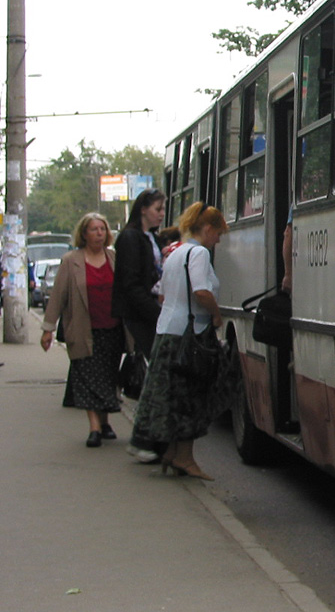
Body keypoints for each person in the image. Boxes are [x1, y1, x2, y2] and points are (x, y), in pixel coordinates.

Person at [131, 202, 233, 480]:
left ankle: (172, 453)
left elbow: (162, 295)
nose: (219, 239)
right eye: (218, 233)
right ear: (208, 228)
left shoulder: (175, 253)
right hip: (191, 336)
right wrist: (215, 315)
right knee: (192, 397)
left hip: (167, 332)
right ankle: (186, 458)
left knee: (173, 398)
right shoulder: (199, 252)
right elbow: (201, 291)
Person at [40, 213, 125, 447]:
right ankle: (94, 428)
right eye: (93, 229)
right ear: (84, 234)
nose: (99, 233)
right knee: (87, 377)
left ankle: (105, 422)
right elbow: (58, 296)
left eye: (102, 229)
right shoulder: (71, 260)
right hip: (82, 329)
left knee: (108, 377)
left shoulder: (114, 258)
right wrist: (48, 329)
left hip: (112, 328)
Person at [113, 188, 167, 463]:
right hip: (141, 315)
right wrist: (157, 313)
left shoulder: (150, 238)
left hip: (149, 312)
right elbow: (130, 284)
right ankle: (143, 438)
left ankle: (151, 439)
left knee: (158, 373)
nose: (161, 214)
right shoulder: (130, 238)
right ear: (143, 208)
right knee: (157, 375)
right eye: (157, 209)